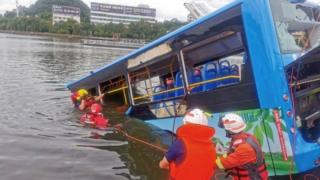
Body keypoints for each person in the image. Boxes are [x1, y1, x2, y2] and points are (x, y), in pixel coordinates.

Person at [159, 108, 216, 180]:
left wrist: (172, 164)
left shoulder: (180, 143)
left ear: (185, 123)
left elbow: (162, 165)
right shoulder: (212, 146)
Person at [216, 113, 268, 180]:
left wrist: (209, 161)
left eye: (225, 129)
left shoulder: (244, 149)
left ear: (230, 131)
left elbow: (222, 164)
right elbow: (230, 154)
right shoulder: (247, 137)